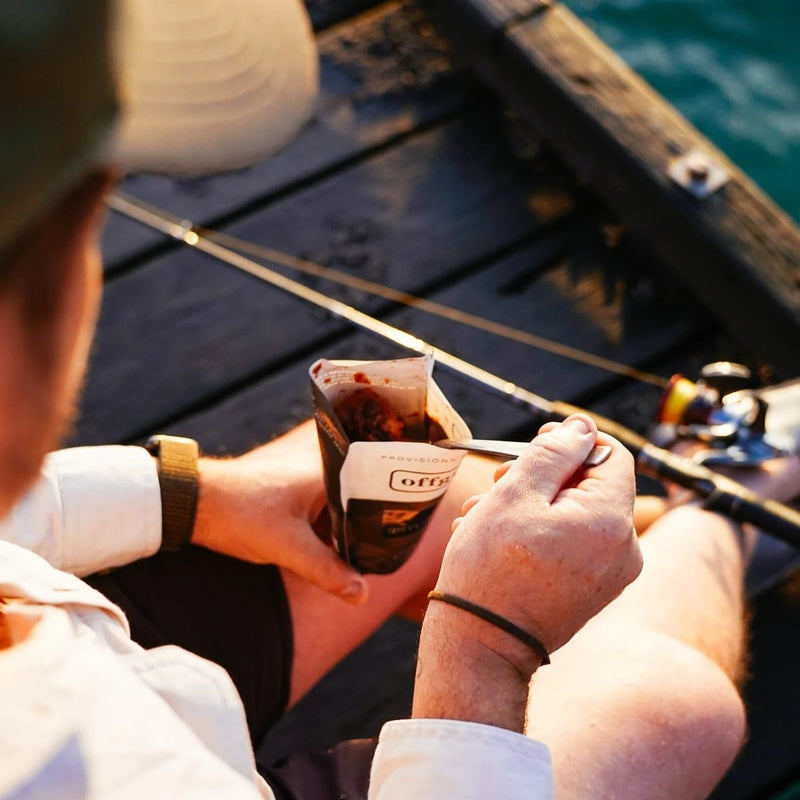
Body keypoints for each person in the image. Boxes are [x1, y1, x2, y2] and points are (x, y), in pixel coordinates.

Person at [0, 1, 796, 798]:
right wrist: (488, 650)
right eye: (87, 213)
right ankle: (721, 508)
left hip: (82, 639)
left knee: (417, 477)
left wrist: (192, 495)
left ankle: (659, 535)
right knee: (674, 716)